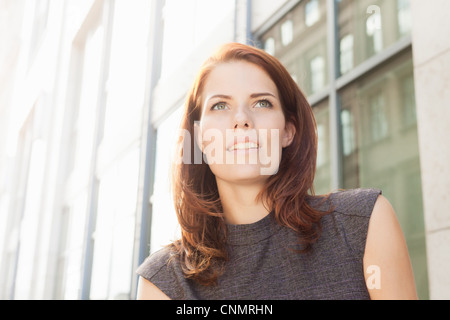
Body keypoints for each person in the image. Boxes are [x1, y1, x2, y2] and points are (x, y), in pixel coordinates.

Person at [136, 42, 417, 300]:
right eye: (220, 105)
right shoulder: (165, 280)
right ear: (197, 138)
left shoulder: (363, 223)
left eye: (262, 103)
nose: (242, 120)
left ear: (288, 131)